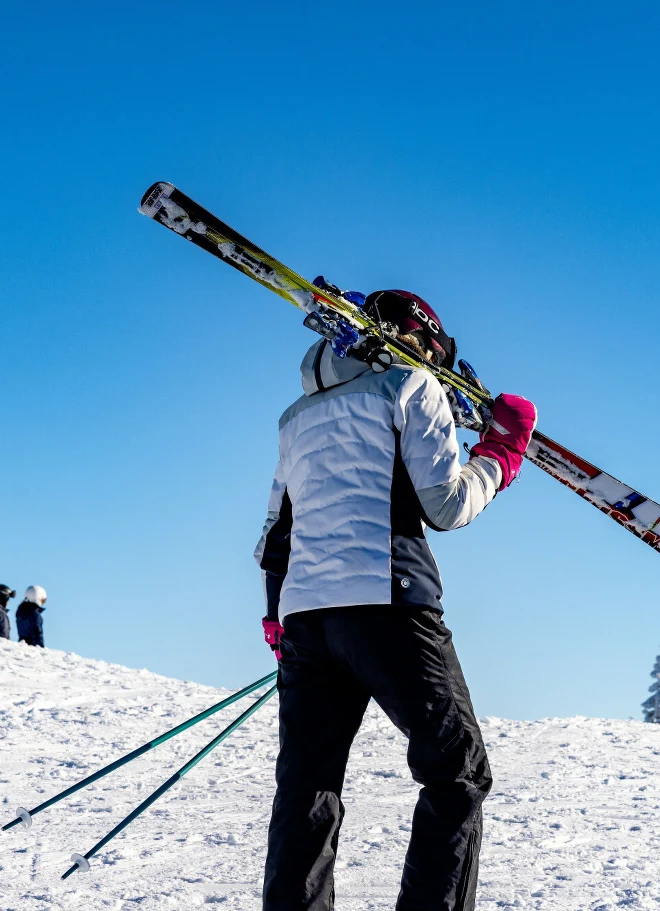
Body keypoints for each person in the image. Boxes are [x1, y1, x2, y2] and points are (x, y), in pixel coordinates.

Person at [255, 288, 536, 911]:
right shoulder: (413, 389)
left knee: (306, 787)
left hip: (307, 618)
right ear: (417, 338)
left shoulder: (295, 416)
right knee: (457, 773)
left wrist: (277, 616)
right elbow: (448, 505)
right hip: (388, 602)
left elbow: (277, 531)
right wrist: (500, 454)